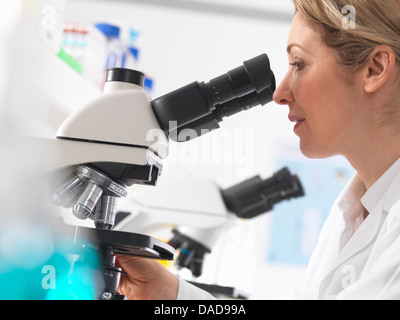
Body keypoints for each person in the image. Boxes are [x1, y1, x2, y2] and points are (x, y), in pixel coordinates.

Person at [116, 0, 400, 299]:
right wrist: (168, 293)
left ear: (374, 69)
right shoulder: (352, 211)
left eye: (299, 63)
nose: (279, 93)